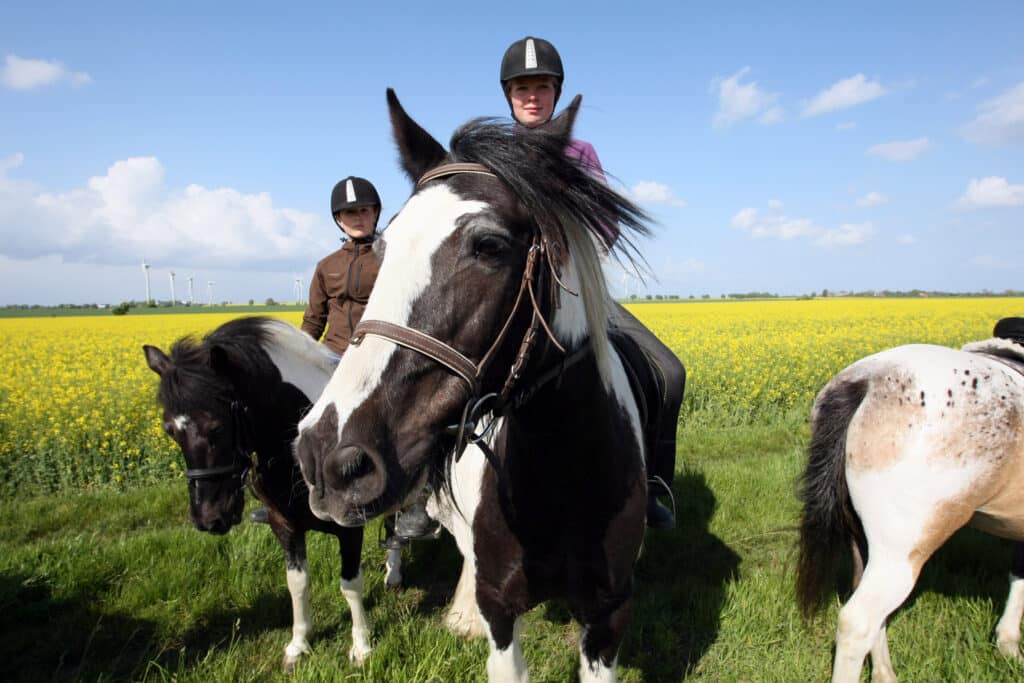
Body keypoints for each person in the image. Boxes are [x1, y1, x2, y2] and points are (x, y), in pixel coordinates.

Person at [500, 36, 685, 529]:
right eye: (522, 87)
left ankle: (650, 485)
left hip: (578, 289)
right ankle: (427, 498)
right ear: (508, 95)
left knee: (669, 372)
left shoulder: (581, 152)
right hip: (510, 298)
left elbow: (606, 221)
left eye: (542, 86)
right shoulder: (494, 153)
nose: (532, 96)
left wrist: (579, 264)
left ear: (557, 93)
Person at [252, 176, 437, 547]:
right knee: (291, 417)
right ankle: (280, 496)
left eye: (364, 211)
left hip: (378, 358)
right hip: (333, 356)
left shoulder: (392, 254)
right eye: (350, 213)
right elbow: (314, 319)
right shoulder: (327, 266)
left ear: (375, 214)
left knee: (399, 428)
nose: (358, 218)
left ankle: (413, 503)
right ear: (339, 219)